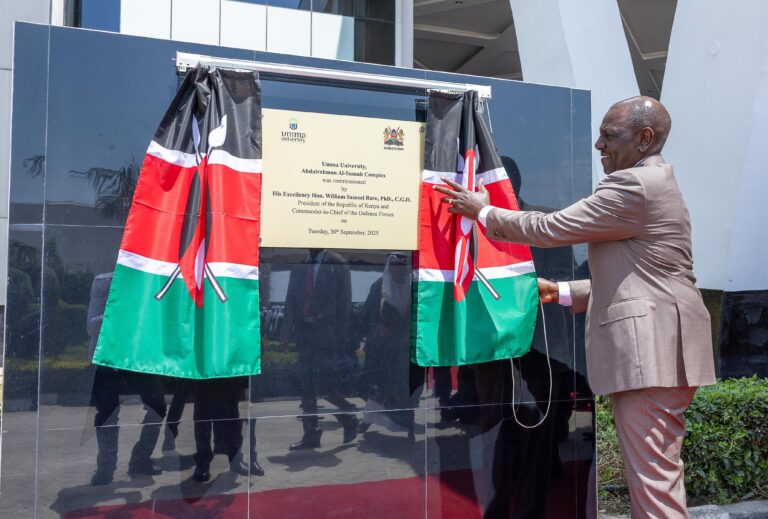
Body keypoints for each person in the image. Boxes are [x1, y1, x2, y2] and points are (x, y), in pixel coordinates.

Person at [435, 96, 716, 518]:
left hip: (652, 356)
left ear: (644, 139)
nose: (599, 145)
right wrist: (563, 291)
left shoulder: (635, 185)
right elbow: (645, 279)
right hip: (664, 350)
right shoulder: (657, 184)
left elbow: (551, 228)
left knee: (654, 486)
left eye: (609, 136)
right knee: (657, 476)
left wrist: (483, 211)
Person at [281, 248, 359, 450]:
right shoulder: (299, 267)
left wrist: (340, 337)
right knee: (307, 386)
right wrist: (286, 333)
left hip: (327, 334)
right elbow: (290, 301)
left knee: (324, 384)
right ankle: (311, 433)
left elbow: (345, 303)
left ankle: (348, 415)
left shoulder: (337, 263)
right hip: (304, 333)